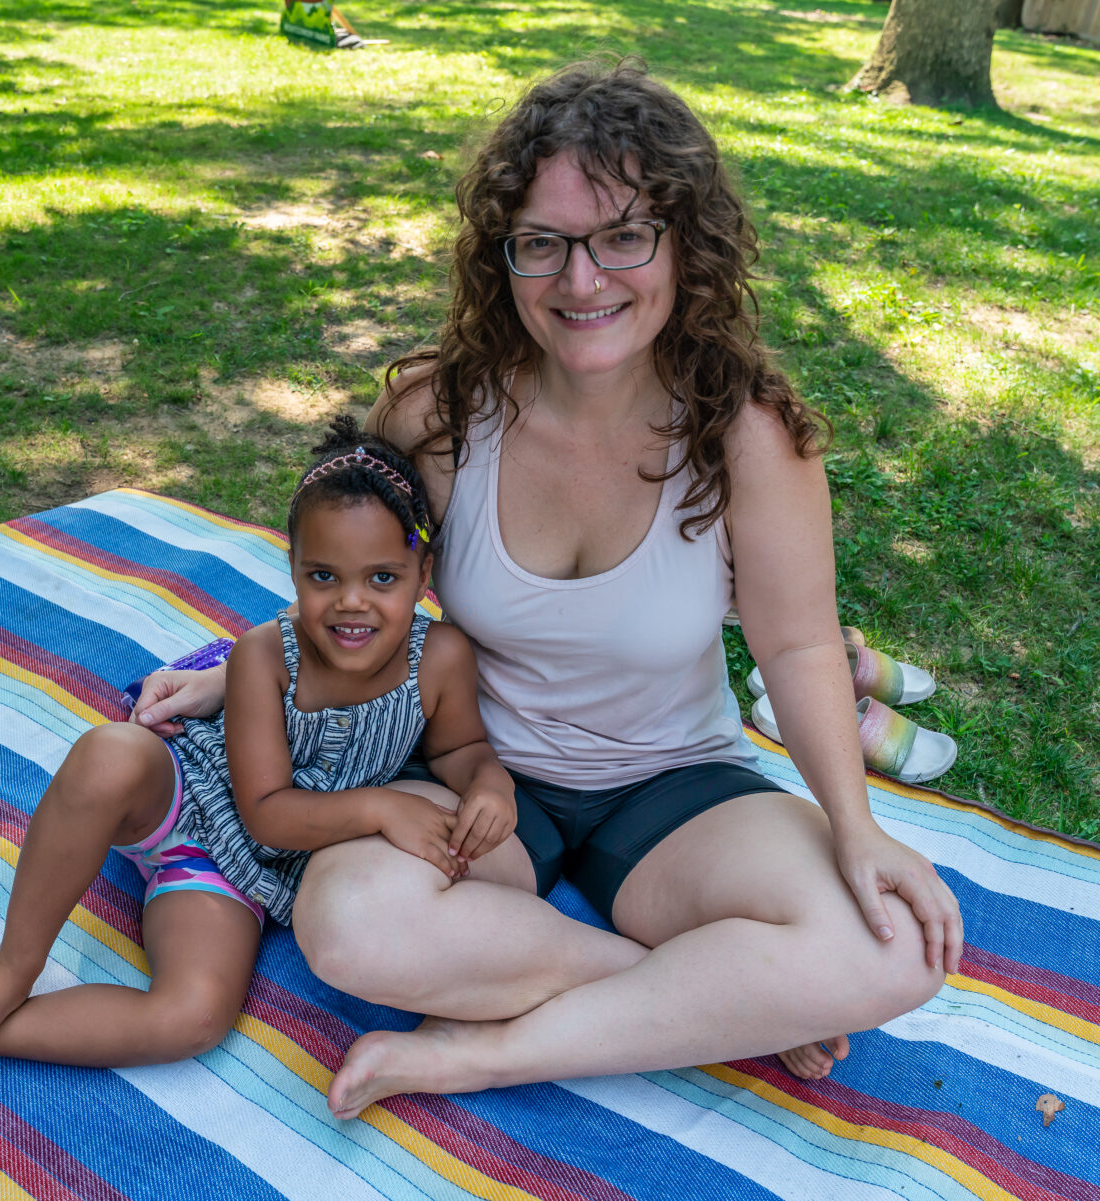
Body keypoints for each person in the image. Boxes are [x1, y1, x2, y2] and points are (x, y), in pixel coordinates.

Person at [127, 59, 963, 1121]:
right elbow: (364, 575)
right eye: (544, 244)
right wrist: (248, 673)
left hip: (675, 788)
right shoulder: (438, 413)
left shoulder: (749, 436)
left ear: (684, 244)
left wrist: (856, 829)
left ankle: (479, 1053)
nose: (583, 282)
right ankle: (700, 998)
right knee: (348, 924)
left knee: (895, 948)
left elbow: (797, 651)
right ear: (501, 256)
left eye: (623, 236)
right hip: (478, 773)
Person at [0, 418, 516, 1124]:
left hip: (240, 879)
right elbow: (264, 810)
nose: (352, 602)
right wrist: (381, 807)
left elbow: (460, 749)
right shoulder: (263, 656)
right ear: (292, 573)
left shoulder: (439, 659)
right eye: (324, 576)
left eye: (383, 577)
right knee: (109, 752)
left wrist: (490, 780)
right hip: (190, 800)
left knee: (192, 1017)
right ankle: (10, 969)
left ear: (422, 575)